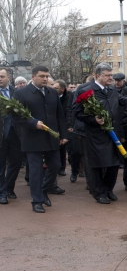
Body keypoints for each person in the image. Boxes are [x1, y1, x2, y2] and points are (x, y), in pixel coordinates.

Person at [12, 66, 69, 213]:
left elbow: (59, 115)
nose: (45, 79)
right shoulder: (21, 93)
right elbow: (16, 117)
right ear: (33, 77)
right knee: (36, 171)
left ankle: (44, 191)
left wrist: (63, 135)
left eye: (46, 76)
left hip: (51, 138)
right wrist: (32, 123)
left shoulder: (52, 93)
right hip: (32, 139)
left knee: (56, 166)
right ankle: (37, 201)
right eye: (41, 76)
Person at [74, 63, 127, 205]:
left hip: (114, 133)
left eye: (111, 75)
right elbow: (77, 112)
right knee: (98, 164)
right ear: (97, 75)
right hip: (96, 134)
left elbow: (122, 102)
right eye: (107, 75)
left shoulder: (112, 89)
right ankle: (98, 192)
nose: (111, 78)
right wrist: (93, 120)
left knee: (114, 163)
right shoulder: (86, 90)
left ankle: (108, 189)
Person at [0, 68, 23, 206]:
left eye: (2, 76)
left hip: (16, 135)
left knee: (16, 163)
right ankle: (2, 192)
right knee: (1, 165)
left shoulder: (17, 93)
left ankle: (9, 188)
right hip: (1, 135)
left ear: (8, 77)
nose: (0, 79)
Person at [52, 79, 71, 177]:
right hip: (53, 125)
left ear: (62, 89)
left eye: (56, 88)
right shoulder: (51, 97)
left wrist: (68, 125)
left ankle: (62, 168)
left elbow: (68, 112)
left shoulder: (68, 98)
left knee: (62, 148)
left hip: (64, 125)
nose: (54, 89)